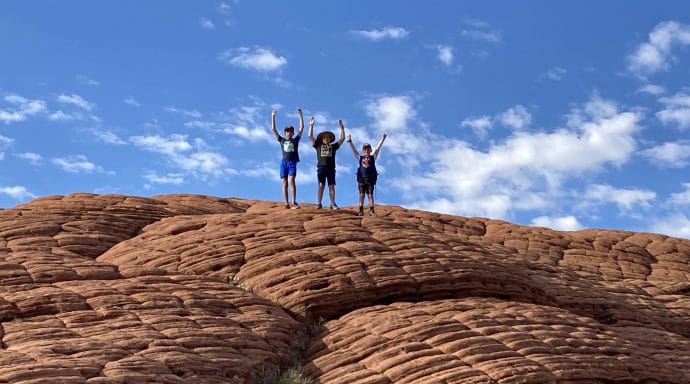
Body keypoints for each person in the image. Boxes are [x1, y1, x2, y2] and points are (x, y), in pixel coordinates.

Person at [309, 117, 345, 209]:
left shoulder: (333, 147)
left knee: (331, 186)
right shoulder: (318, 146)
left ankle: (333, 204)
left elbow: (342, 138)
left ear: (330, 139)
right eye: (324, 137)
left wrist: (342, 128)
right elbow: (310, 136)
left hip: (331, 169)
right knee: (321, 185)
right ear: (322, 139)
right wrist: (311, 125)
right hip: (321, 168)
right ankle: (319, 203)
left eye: (327, 137)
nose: (326, 138)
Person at [347, 132, 387, 216]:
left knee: (370, 195)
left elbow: (377, 148)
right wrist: (350, 141)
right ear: (363, 150)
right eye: (365, 149)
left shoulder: (373, 157)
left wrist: (382, 139)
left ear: (370, 150)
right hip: (361, 179)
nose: (366, 150)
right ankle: (361, 210)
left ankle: (372, 211)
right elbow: (354, 151)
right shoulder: (360, 158)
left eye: (368, 149)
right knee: (361, 195)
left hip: (370, 179)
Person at [271, 108, 304, 209]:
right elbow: (273, 129)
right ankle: (286, 203)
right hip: (283, 163)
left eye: (290, 131)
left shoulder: (295, 140)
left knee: (291, 181)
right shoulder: (281, 140)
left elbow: (301, 128)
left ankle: (293, 202)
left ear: (292, 133)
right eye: (287, 131)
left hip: (292, 163)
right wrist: (273, 116)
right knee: (284, 183)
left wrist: (300, 115)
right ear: (285, 133)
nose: (289, 133)